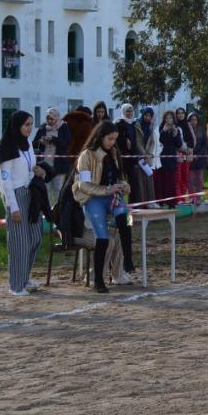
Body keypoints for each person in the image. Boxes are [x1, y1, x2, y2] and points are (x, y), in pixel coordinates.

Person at [73, 121, 138, 292]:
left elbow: (116, 177)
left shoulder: (114, 153)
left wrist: (124, 185)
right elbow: (84, 185)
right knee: (102, 238)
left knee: (127, 217)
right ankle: (98, 280)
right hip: (93, 198)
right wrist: (107, 189)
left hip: (112, 196)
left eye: (115, 139)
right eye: (110, 139)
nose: (112, 143)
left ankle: (128, 260)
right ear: (100, 137)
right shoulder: (86, 156)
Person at [0, 111, 50, 296]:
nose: (29, 128)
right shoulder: (9, 147)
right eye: (26, 124)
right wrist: (13, 207)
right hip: (16, 195)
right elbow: (5, 180)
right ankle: (16, 285)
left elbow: (27, 168)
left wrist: (37, 171)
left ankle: (24, 277)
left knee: (35, 236)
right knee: (20, 242)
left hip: (30, 193)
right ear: (17, 125)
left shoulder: (27, 144)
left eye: (31, 124)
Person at [33, 107, 71, 200]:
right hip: (45, 165)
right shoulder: (43, 127)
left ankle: (58, 212)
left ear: (57, 118)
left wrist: (53, 139)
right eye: (48, 118)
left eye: (52, 119)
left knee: (58, 190)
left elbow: (67, 142)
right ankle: (47, 213)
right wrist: (41, 141)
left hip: (59, 165)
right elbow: (34, 143)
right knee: (46, 190)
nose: (49, 121)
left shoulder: (64, 127)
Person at [155, 111, 183, 207]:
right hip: (161, 158)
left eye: (170, 118)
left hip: (171, 158)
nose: (168, 120)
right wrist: (163, 131)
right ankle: (161, 202)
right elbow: (159, 141)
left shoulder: (176, 129)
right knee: (161, 181)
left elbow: (179, 145)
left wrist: (175, 135)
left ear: (173, 119)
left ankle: (171, 202)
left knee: (171, 181)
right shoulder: (160, 128)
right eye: (166, 118)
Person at [187, 112, 208, 205]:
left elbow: (205, 144)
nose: (193, 121)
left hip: (200, 158)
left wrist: (198, 155)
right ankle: (192, 197)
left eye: (195, 119)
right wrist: (191, 154)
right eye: (192, 120)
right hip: (189, 157)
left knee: (199, 179)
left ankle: (198, 198)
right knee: (191, 179)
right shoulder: (186, 130)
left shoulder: (201, 130)